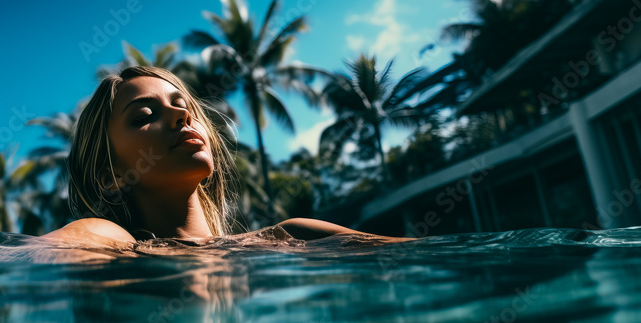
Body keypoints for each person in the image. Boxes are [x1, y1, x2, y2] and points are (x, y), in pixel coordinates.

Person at [36, 66, 411, 258]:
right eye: (144, 115)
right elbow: (41, 257)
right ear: (111, 176)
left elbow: (423, 256)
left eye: (182, 106)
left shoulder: (294, 236)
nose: (180, 117)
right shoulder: (112, 240)